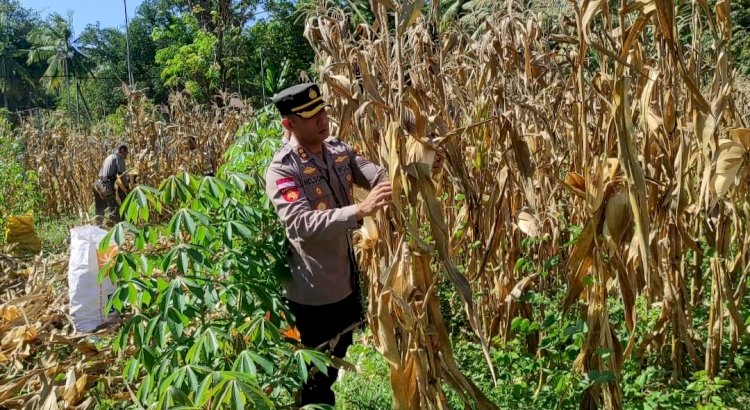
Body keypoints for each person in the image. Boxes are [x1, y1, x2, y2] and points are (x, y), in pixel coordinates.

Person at [264, 83, 391, 406]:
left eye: (322, 112)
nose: (321, 120)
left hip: (344, 282)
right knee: (316, 376)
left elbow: (379, 177)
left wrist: (416, 164)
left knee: (337, 356)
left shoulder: (338, 151)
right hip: (313, 293)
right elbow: (300, 223)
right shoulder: (283, 169)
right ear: (288, 124)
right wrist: (359, 210)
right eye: (310, 116)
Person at [94, 142, 130, 225]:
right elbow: (121, 174)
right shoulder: (119, 157)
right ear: (122, 150)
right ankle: (113, 227)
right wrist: (127, 188)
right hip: (106, 185)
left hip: (98, 184)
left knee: (100, 207)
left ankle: (98, 225)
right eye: (126, 153)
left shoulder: (109, 157)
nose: (126, 156)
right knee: (115, 207)